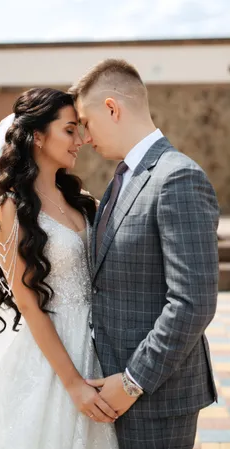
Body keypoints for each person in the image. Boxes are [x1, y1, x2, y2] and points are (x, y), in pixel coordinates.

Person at [0, 88, 118, 449]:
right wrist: (74, 384)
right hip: (52, 353)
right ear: (37, 136)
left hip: (100, 345)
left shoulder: (80, 201)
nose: (80, 140)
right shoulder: (11, 210)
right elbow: (29, 305)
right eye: (69, 130)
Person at [70, 58, 220, 449]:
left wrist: (133, 381)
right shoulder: (123, 176)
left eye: (85, 122)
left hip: (157, 397)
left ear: (112, 108)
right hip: (109, 390)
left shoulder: (178, 178)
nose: (84, 137)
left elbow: (193, 302)